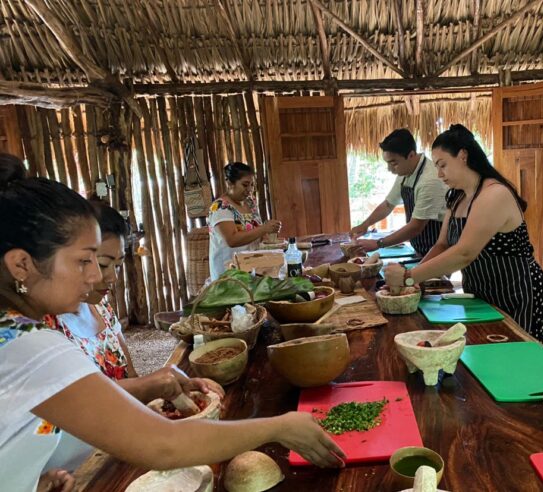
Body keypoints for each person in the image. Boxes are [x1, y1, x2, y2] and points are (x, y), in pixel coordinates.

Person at [0, 162, 344, 492]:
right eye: (83, 261)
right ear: (21, 264)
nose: (95, 276)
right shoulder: (28, 344)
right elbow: (163, 444)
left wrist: (27, 478)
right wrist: (279, 426)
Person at [45, 199, 224, 472]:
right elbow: (68, 408)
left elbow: (131, 378)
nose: (110, 278)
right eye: (99, 263)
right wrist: (151, 386)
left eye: (115, 265)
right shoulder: (43, 328)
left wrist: (165, 391)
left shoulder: (99, 306)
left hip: (121, 448)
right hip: (76, 469)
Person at [384, 125, 543, 348]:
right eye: (436, 167)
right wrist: (415, 283)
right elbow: (443, 245)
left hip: (518, 292)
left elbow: (464, 253)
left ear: (463, 156)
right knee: (487, 356)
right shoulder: (456, 198)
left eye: (443, 165)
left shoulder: (494, 194)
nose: (439, 174)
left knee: (520, 360)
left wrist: (409, 276)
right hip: (481, 293)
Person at [351, 129, 447, 257]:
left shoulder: (430, 180)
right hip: (418, 248)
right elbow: (388, 204)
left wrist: (378, 243)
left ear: (411, 155)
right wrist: (365, 225)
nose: (390, 169)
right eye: (388, 163)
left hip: (437, 249)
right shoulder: (406, 171)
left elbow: (416, 227)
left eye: (393, 163)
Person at [209, 162, 281, 280]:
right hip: (229, 275)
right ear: (230, 183)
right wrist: (264, 229)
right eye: (245, 185)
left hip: (252, 269)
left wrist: (269, 235)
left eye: (252, 185)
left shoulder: (250, 202)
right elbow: (232, 240)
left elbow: (256, 230)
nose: (249, 190)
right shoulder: (221, 207)